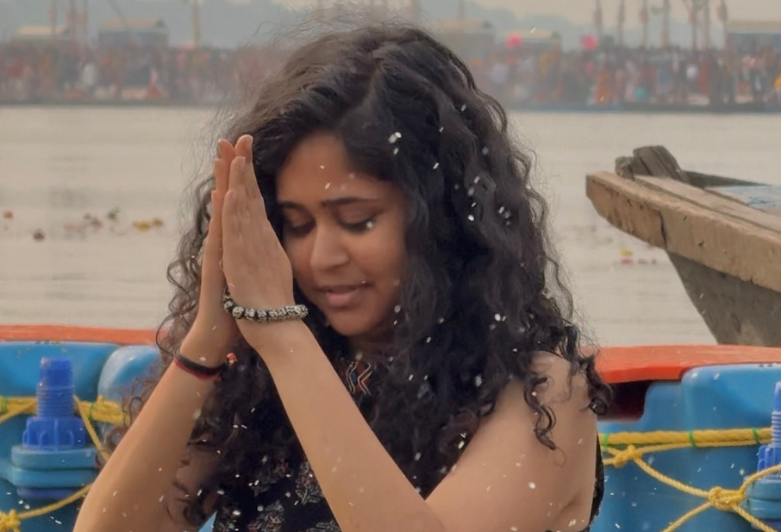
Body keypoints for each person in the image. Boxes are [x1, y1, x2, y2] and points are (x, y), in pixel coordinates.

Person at [74, 20, 611, 532]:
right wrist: (208, 338)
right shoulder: (260, 384)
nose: (320, 257)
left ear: (441, 220)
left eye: (356, 221)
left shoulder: (542, 395)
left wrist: (283, 336)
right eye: (296, 225)